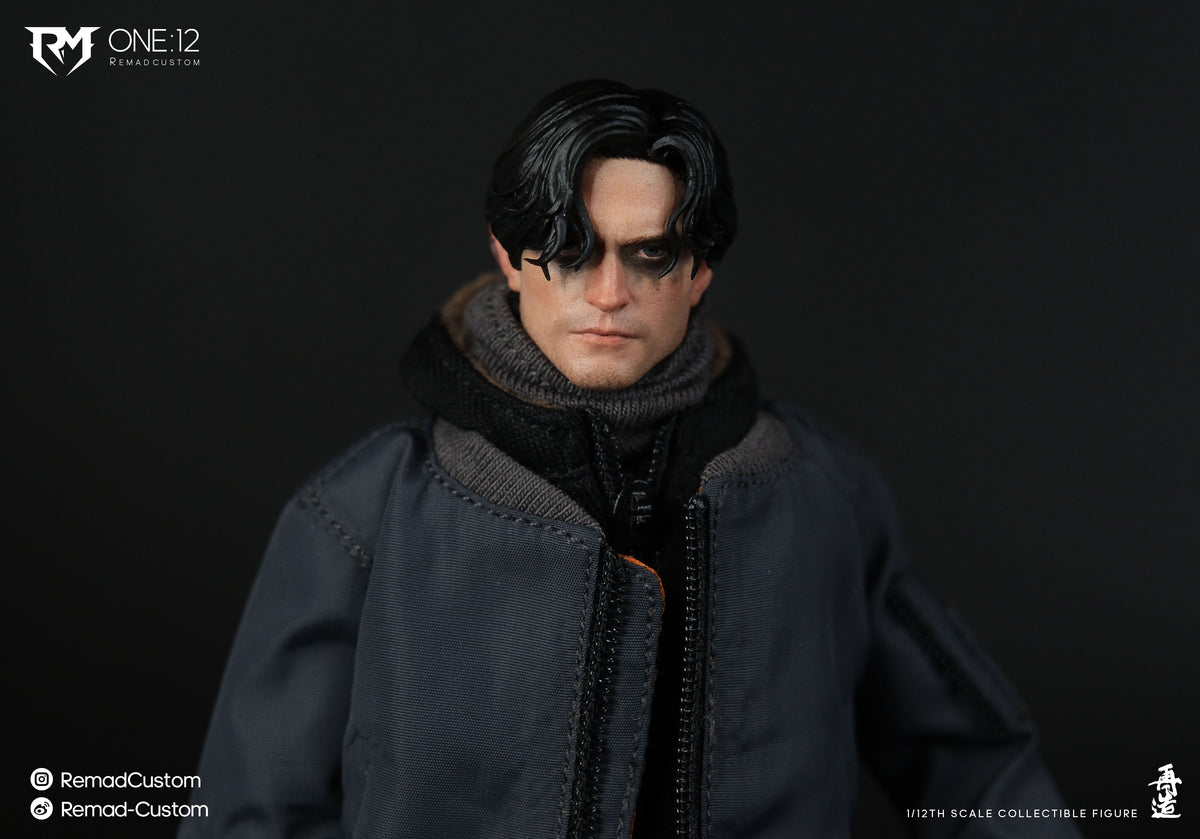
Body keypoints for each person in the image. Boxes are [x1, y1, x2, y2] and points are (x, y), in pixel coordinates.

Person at [181, 79, 1082, 838]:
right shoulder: (367, 514)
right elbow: (252, 811)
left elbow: (980, 768)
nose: (609, 292)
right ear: (508, 255)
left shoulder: (820, 496)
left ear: (699, 272)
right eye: (571, 249)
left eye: (651, 255)